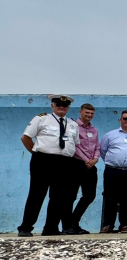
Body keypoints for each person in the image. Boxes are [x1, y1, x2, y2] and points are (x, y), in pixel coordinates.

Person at [18, 94, 80, 237]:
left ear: (68, 107)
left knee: (58, 197)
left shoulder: (72, 124)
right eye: (58, 105)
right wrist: (35, 153)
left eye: (65, 106)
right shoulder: (41, 119)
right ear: (52, 106)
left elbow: (75, 143)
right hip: (43, 160)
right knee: (36, 194)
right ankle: (26, 227)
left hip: (65, 162)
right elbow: (25, 137)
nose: (61, 108)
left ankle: (51, 228)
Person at [99, 110, 127, 233]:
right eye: (125, 118)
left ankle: (124, 225)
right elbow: (103, 151)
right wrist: (113, 163)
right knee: (110, 198)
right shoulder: (110, 135)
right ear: (120, 120)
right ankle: (108, 224)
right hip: (112, 171)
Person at [68, 102, 99, 234]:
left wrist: (96, 159)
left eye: (92, 113)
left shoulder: (94, 130)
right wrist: (87, 160)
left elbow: (98, 146)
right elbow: (74, 146)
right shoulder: (73, 127)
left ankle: (74, 222)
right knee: (71, 196)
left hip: (91, 166)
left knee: (89, 196)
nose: (89, 115)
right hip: (77, 165)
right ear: (80, 112)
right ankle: (67, 225)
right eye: (87, 113)